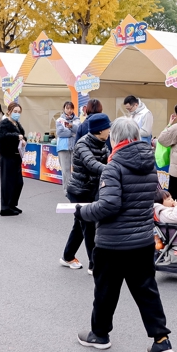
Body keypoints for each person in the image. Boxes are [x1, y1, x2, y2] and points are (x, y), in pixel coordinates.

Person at [75, 117, 174, 352]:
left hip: (113, 243)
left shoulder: (114, 166)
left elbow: (109, 205)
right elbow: (154, 194)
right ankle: (161, 339)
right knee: (147, 291)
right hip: (142, 240)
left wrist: (82, 211)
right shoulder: (149, 164)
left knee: (106, 291)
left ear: (115, 138)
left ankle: (99, 335)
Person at [63, 113, 111, 273]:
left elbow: (110, 158)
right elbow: (92, 164)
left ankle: (67, 256)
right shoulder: (82, 144)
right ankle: (94, 264)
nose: (110, 130)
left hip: (92, 190)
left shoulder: (103, 143)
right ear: (99, 130)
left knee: (80, 225)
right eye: (107, 128)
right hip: (79, 191)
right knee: (89, 225)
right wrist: (113, 170)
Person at [0, 102, 26, 216]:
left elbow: (22, 135)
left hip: (16, 155)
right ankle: (5, 207)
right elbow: (1, 136)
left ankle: (12, 204)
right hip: (7, 155)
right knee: (7, 182)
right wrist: (16, 136)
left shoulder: (17, 124)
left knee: (18, 182)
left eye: (19, 112)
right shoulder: (4, 123)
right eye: (15, 111)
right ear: (9, 111)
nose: (17, 114)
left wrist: (24, 140)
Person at [56, 101, 81, 192]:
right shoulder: (59, 120)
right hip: (63, 147)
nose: (69, 110)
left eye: (71, 108)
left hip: (74, 147)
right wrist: (72, 132)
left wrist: (71, 128)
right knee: (65, 170)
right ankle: (67, 190)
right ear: (64, 109)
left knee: (76, 169)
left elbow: (79, 130)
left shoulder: (77, 120)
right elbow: (60, 133)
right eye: (67, 108)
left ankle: (76, 188)